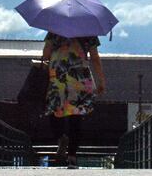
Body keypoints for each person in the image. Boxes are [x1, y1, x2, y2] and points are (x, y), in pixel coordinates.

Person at [42, 31, 106, 169]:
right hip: (79, 78)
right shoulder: (89, 31)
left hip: (57, 75)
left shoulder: (55, 28)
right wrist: (101, 81)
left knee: (55, 109)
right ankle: (72, 157)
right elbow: (95, 58)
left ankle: (61, 137)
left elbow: (46, 53)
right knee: (76, 116)